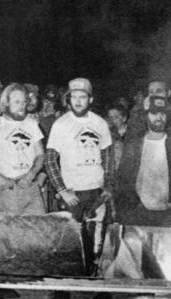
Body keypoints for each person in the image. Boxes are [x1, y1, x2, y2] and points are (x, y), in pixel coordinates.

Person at [45, 78, 114, 272]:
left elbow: (108, 156)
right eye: (73, 97)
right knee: (69, 242)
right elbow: (50, 160)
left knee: (96, 242)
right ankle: (70, 285)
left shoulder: (100, 123)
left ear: (90, 99)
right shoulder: (61, 124)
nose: (77, 101)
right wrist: (62, 189)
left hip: (96, 192)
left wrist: (108, 187)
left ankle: (93, 282)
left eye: (82, 97)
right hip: (72, 193)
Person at [115, 96, 171, 227]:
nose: (159, 117)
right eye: (153, 113)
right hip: (138, 213)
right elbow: (123, 180)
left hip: (169, 215)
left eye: (162, 113)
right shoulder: (135, 146)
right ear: (146, 116)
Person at [0, 83, 46, 215]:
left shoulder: (31, 123)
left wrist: (31, 174)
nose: (22, 106)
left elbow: (40, 154)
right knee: (11, 233)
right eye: (17, 102)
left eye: (24, 101)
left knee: (38, 230)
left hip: (30, 186)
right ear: (6, 103)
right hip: (7, 189)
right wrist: (0, 179)